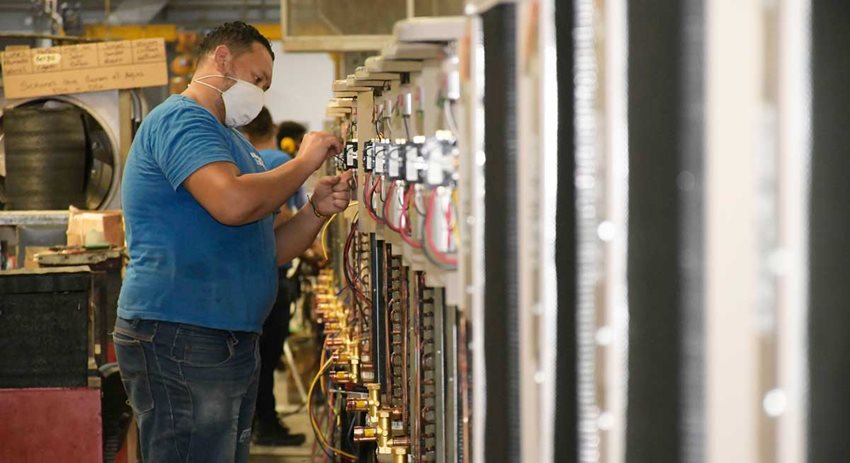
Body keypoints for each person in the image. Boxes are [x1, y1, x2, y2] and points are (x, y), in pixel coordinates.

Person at [113, 21, 352, 463]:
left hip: (225, 339)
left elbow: (268, 252)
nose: (260, 92)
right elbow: (232, 204)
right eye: (257, 79)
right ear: (222, 58)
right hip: (183, 335)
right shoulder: (181, 120)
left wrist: (316, 210)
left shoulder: (233, 142)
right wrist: (303, 163)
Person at [239, 107, 305, 446]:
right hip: (273, 273)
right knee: (268, 356)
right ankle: (267, 423)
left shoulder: (241, 157)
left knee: (254, 357)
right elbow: (283, 217)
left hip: (245, 277)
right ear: (275, 127)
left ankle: (253, 423)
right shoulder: (281, 159)